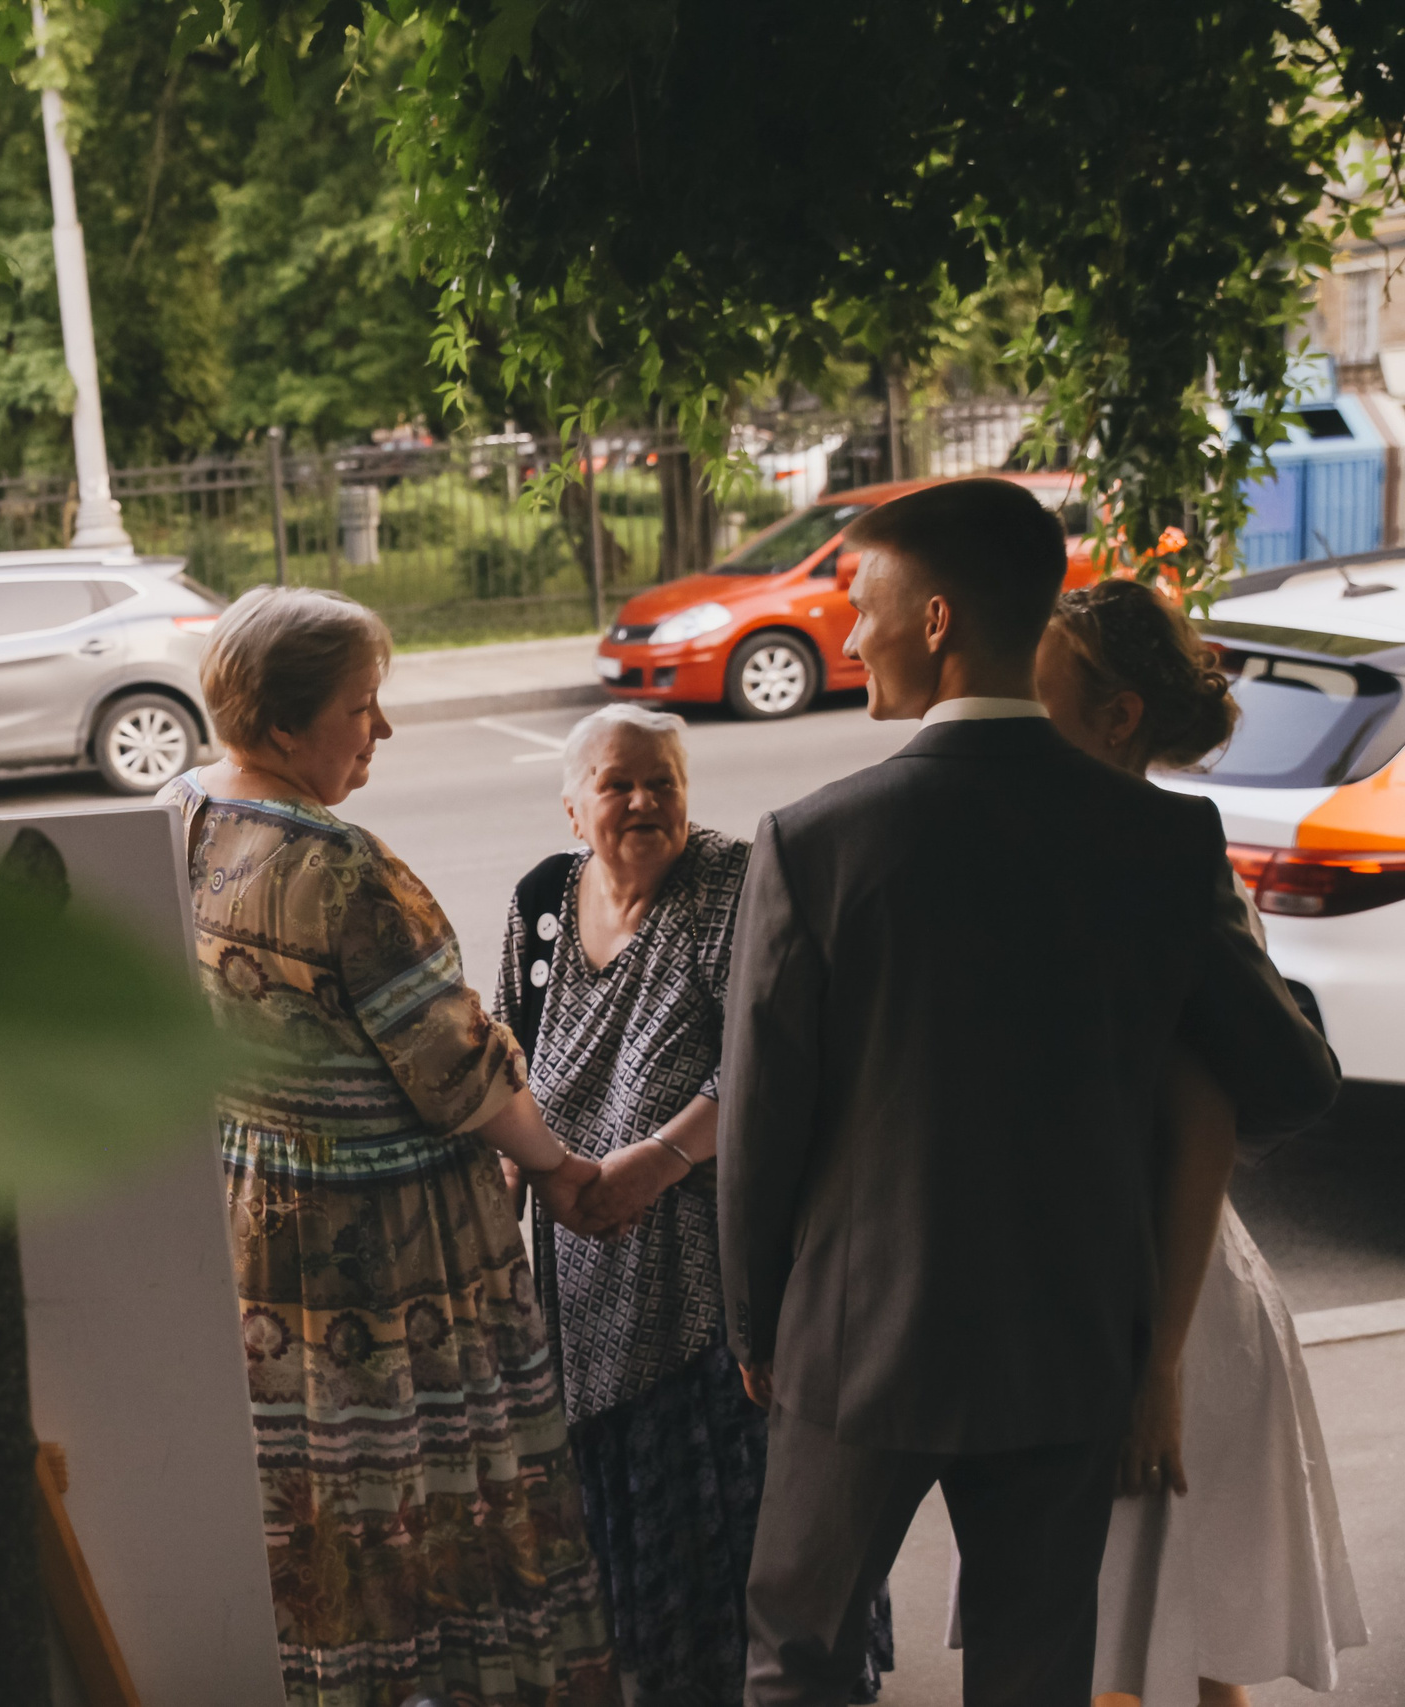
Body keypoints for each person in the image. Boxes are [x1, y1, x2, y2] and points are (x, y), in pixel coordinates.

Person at [715, 479, 1341, 1707]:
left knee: (797, 1654)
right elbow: (1288, 1079)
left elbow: (762, 1122)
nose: (850, 636)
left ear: (936, 618)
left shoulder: (815, 842)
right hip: (1070, 1340)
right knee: (1037, 1670)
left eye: (864, 607)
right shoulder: (1162, 845)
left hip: (855, 1341)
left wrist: (754, 1325)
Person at [163, 585, 621, 1707]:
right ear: (282, 726)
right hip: (395, 1245)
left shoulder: (180, 810)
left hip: (259, 1213)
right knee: (439, 1484)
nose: (383, 730)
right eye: (364, 708)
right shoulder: (344, 871)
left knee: (314, 1482)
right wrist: (561, 1170)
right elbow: (459, 1073)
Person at [986, 578, 1363, 1707]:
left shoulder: (1161, 872)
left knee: (1166, 1659)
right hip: (1100, 1305)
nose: (1017, 712)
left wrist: (1158, 1371)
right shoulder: (1069, 853)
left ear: (1116, 720)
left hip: (1172, 1312)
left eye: (1040, 695)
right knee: (1125, 1652)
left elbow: (1199, 1127)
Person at [496, 704, 894, 1707]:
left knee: (734, 1518)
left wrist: (655, 1162)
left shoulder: (737, 881)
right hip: (579, 1266)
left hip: (713, 1269)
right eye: (617, 783)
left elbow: (773, 1061)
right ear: (571, 806)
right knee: (618, 1523)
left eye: (661, 782)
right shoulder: (544, 900)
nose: (642, 802)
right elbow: (508, 1058)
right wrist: (522, 1174)